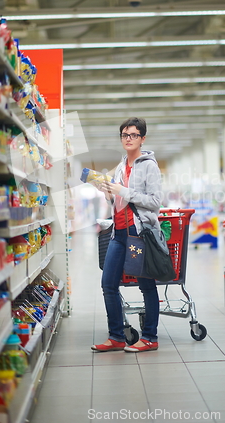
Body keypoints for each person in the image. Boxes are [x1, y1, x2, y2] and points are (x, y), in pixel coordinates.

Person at [91, 117, 162, 353]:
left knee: (146, 285)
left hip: (138, 234)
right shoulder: (121, 166)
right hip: (118, 233)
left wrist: (125, 191)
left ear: (142, 138)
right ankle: (116, 336)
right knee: (108, 284)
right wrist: (109, 193)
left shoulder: (149, 166)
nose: (128, 139)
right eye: (124, 135)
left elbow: (154, 202)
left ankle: (150, 337)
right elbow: (120, 199)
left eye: (133, 135)